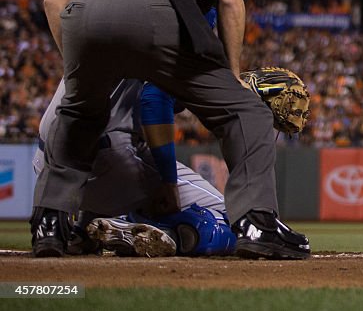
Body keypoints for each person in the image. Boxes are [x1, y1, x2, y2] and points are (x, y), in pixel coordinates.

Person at [31, 0, 309, 259]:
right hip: (151, 36)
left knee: (80, 112)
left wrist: (81, 66)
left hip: (75, 56)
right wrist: (232, 76)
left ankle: (51, 225)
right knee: (245, 119)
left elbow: (53, 1)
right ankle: (256, 224)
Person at [33, 78, 236, 257]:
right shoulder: (172, 36)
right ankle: (145, 227)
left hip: (49, 165)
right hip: (110, 163)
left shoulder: (85, 33)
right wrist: (169, 182)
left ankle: (85, 228)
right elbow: (154, 100)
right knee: (231, 220)